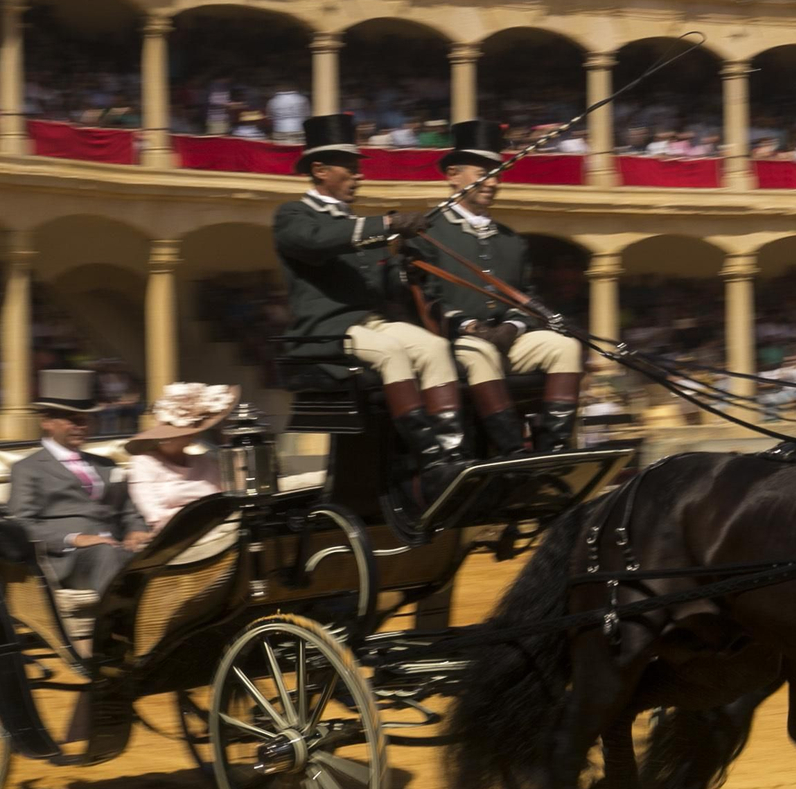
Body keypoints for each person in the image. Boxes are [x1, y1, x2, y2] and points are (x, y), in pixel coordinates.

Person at [274, 113, 473, 500]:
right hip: (324, 332)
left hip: (369, 323)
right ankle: (430, 458)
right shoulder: (292, 215)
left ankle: (454, 451)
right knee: (391, 351)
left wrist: (404, 260)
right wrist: (387, 223)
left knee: (433, 348)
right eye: (350, 168)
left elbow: (384, 288)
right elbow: (317, 242)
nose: (359, 176)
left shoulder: (362, 226)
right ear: (320, 170)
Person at [407, 119, 584, 454]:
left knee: (565, 347)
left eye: (497, 174)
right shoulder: (427, 233)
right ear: (453, 174)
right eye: (482, 172)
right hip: (454, 345)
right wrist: (469, 325)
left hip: (507, 338)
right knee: (481, 352)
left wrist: (513, 325)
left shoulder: (511, 240)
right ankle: (511, 451)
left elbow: (526, 295)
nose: (492, 182)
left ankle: (554, 449)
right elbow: (426, 299)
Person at [8, 369, 149, 593]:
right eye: (73, 420)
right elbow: (21, 525)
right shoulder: (27, 469)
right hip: (69, 559)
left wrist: (136, 530)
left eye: (85, 420)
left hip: (117, 548)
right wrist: (74, 538)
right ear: (47, 421)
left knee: (161, 552)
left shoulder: (105, 464)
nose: (81, 426)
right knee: (105, 554)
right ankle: (119, 624)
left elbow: (129, 511)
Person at [125, 382, 237, 532]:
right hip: (176, 535)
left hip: (221, 529)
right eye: (163, 434)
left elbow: (231, 499)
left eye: (174, 435)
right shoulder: (144, 463)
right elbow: (154, 514)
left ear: (190, 436)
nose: (165, 439)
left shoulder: (207, 462)